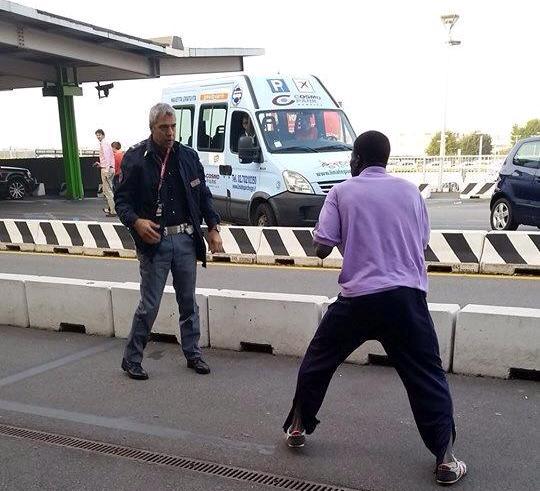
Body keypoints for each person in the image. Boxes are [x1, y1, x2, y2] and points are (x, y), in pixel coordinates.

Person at [283, 131, 467, 486]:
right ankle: (445, 458)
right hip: (405, 299)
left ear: (356, 159)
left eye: (352, 157)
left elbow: (321, 248)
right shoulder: (411, 192)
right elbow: (422, 242)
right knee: (426, 375)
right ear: (386, 158)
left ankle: (297, 426)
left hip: (356, 300)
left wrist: (324, 233)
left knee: (318, 361)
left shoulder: (341, 191)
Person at [114, 103, 223, 381]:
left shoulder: (188, 157)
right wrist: (136, 222)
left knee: (188, 301)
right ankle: (132, 358)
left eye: (173, 126)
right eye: (164, 128)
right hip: (155, 243)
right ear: (152, 128)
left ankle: (193, 353)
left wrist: (213, 227)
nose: (170, 132)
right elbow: (122, 201)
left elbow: (203, 195)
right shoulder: (136, 157)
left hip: (186, 239)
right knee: (149, 304)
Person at [94, 129, 116, 216]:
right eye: (97, 135)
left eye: (99, 135)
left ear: (103, 135)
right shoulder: (106, 144)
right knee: (109, 190)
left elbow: (107, 157)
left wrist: (106, 170)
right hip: (109, 168)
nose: (98, 137)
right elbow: (109, 158)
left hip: (107, 169)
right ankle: (112, 209)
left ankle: (113, 210)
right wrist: (101, 164)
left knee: (108, 191)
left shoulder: (104, 144)